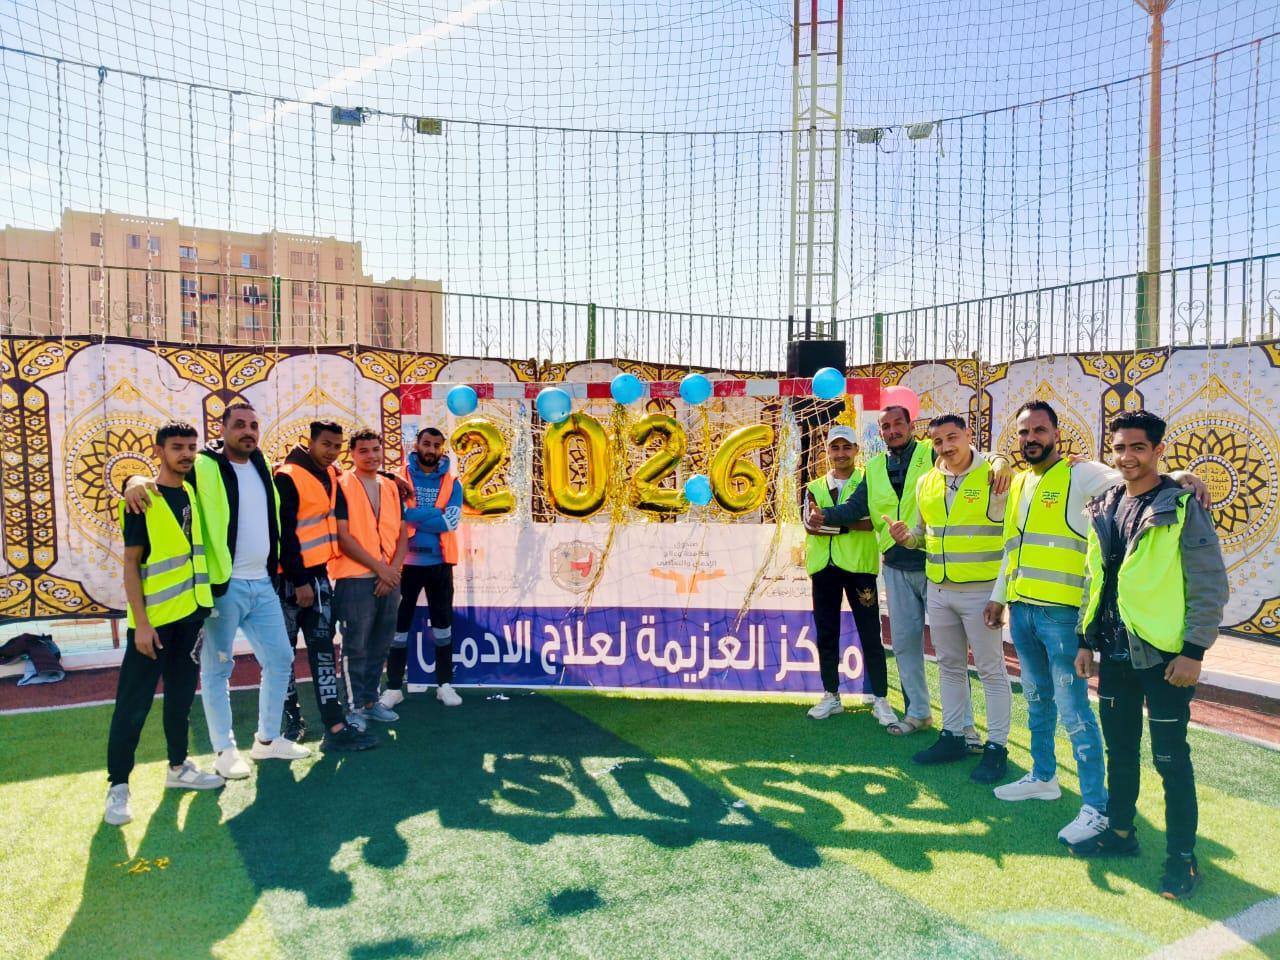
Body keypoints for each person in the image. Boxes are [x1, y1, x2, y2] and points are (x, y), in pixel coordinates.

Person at [984, 401, 1210, 847]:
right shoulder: (1022, 481)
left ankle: (1095, 804)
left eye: (1040, 430)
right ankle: (1043, 776)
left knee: (1074, 711)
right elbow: (1013, 546)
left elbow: (1136, 479)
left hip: (1062, 615)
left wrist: (1181, 476)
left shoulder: (1081, 473)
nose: (1031, 438)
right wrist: (998, 596)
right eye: (1024, 431)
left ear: (1056, 433)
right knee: (1037, 700)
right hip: (1024, 610)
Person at [1069, 410, 1228, 901]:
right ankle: (1121, 833)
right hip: (1115, 655)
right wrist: (1084, 640)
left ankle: (1183, 858)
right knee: (1120, 751)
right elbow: (1095, 579)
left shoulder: (1181, 506)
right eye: (1120, 448)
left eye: (1138, 447)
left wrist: (1194, 651)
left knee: (1170, 759)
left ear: (1158, 450)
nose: (1127, 457)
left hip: (1164, 657)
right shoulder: (1105, 504)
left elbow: (1208, 583)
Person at [808, 405, 1012, 746]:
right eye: (886, 427)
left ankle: (966, 728)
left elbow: (969, 456)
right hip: (895, 566)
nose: (892, 431)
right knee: (904, 645)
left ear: (911, 426)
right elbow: (856, 507)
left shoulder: (932, 453)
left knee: (954, 655)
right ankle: (918, 713)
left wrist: (999, 458)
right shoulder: (875, 467)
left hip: (934, 567)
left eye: (898, 424)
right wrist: (824, 515)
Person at [124, 403, 308, 777]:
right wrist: (133, 480)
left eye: (254, 425)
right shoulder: (204, 464)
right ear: (222, 429)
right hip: (223, 586)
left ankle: (267, 741)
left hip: (263, 583)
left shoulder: (262, 464)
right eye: (239, 424)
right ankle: (224, 750)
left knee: (280, 659)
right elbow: (165, 475)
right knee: (217, 669)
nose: (248, 431)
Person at [105, 422, 224, 826]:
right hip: (153, 625)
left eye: (191, 447)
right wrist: (140, 624)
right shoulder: (142, 499)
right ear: (158, 451)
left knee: (180, 698)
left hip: (190, 617)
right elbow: (130, 565)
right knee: (132, 705)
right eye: (177, 447)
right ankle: (118, 786)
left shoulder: (191, 492)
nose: (186, 454)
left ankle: (178, 767)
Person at [886, 414, 1011, 784]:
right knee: (949, 666)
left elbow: (1012, 538)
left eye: (952, 437)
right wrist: (907, 538)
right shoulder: (926, 481)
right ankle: (953, 736)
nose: (946, 447)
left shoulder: (995, 474)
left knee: (990, 670)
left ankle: (997, 747)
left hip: (981, 592)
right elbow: (924, 534)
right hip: (939, 589)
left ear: (969, 435)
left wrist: (1000, 595)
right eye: (938, 441)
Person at [275, 421, 378, 752]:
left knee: (323, 653)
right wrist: (299, 580)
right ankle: (292, 722)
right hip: (290, 582)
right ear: (310, 442)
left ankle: (334, 726)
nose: (332, 451)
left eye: (337, 446)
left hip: (319, 578)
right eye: (326, 445)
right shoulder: (286, 475)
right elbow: (284, 532)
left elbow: (355, 479)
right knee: (283, 656)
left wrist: (393, 479)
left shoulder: (330, 473)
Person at [801, 425, 897, 726]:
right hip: (824, 569)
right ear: (827, 451)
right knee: (826, 634)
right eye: (835, 447)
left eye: (846, 447)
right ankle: (831, 695)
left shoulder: (868, 481)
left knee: (870, 634)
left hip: (859, 569)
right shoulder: (814, 486)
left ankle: (880, 699)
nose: (841, 453)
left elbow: (870, 522)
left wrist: (835, 523)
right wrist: (850, 523)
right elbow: (810, 526)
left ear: (856, 449)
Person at [330, 428, 408, 728]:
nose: (371, 455)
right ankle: (353, 708)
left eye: (376, 449)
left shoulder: (390, 486)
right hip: (355, 578)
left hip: (390, 579)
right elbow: (343, 535)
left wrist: (393, 571)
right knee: (355, 645)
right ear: (352, 453)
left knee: (381, 644)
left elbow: (402, 534)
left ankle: (371, 701)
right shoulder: (342, 485)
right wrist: (381, 569)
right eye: (363, 450)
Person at [383, 426, 463, 710]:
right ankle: (394, 688)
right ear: (416, 445)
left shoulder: (453, 482)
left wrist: (414, 516)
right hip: (404, 564)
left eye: (436, 445)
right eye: (426, 443)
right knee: (398, 627)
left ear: (442, 448)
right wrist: (433, 514)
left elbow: (450, 521)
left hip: (440, 564)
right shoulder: (398, 478)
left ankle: (444, 685)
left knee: (443, 626)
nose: (431, 450)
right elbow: (397, 515)